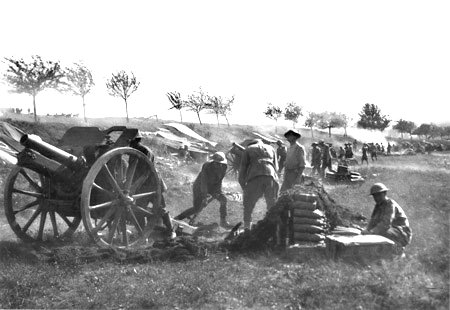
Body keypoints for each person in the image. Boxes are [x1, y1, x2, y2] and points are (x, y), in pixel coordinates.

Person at [175, 152, 232, 228]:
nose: (217, 165)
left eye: (219, 163)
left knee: (223, 200)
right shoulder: (207, 166)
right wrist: (204, 197)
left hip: (213, 187)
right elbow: (204, 182)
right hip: (199, 186)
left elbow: (219, 180)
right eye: (216, 163)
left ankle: (223, 221)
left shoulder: (224, 167)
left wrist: (218, 191)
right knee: (197, 208)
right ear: (213, 161)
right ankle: (178, 218)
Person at [238, 139, 279, 229]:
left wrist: (243, 186)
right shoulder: (271, 148)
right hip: (271, 176)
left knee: (248, 203)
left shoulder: (248, 149)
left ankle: (247, 227)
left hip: (255, 176)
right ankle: (272, 227)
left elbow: (243, 168)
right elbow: (276, 167)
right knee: (271, 203)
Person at [361, 183, 412, 252]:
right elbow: (373, 221)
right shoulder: (378, 206)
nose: (376, 198)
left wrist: (372, 232)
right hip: (392, 230)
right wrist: (366, 230)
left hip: (402, 233)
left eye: (379, 195)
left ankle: (397, 249)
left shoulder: (390, 204)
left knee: (381, 232)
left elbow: (386, 223)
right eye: (375, 196)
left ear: (385, 193)